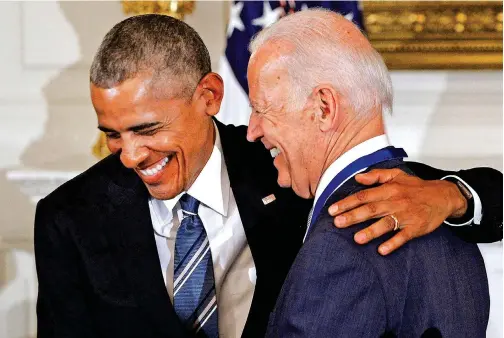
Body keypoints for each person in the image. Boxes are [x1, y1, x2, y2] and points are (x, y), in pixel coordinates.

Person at [34, 14, 500, 338]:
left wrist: (452, 196)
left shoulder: (286, 165)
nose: (130, 155)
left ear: (209, 96)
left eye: (147, 129)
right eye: (112, 134)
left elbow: (387, 178)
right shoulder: (69, 217)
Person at [245, 9, 491, 337]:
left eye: (261, 109)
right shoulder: (452, 227)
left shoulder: (341, 246)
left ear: (324, 107)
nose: (251, 130)